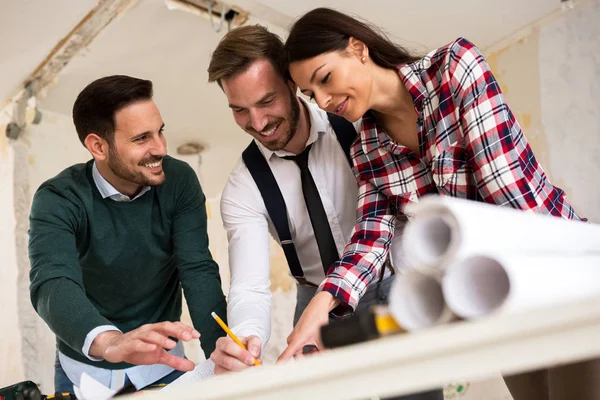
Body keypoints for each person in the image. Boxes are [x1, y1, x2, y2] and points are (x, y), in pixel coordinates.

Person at [283, 7, 595, 400]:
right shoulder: (368, 150)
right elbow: (369, 240)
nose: (324, 100)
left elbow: (509, 192)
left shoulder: (454, 68)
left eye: (325, 79)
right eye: (311, 94)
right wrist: (321, 306)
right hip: (495, 296)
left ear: (358, 50)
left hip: (562, 274)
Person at [206, 25, 443, 400]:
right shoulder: (242, 187)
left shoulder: (358, 127)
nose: (258, 122)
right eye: (240, 110)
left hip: (391, 287)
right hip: (313, 303)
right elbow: (250, 284)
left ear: (292, 82)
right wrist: (247, 336)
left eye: (267, 101)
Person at [28, 75, 227, 393]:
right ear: (98, 146)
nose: (160, 148)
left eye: (160, 131)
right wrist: (110, 342)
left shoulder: (179, 182)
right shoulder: (59, 197)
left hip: (166, 366)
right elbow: (53, 282)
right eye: (141, 139)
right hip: (83, 372)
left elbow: (198, 270)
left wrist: (222, 354)